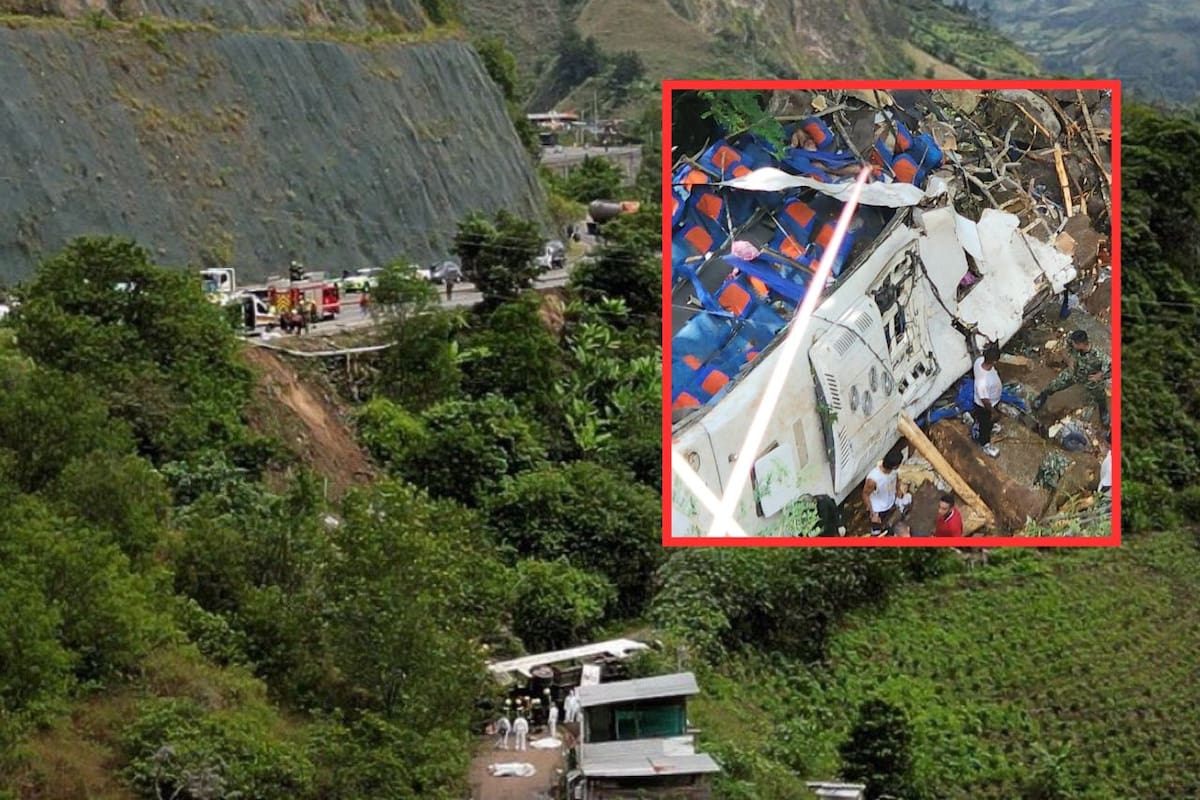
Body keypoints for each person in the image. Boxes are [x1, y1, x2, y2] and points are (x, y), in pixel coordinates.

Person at [1034, 329, 1111, 426]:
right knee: (1055, 384)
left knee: (1100, 396)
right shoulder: (1073, 343)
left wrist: (1101, 376)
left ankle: (1103, 410)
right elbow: (1065, 342)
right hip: (1074, 372)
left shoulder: (1098, 355)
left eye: (1074, 343)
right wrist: (1068, 359)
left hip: (1090, 379)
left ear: (1081, 344)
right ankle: (1042, 396)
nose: (1072, 344)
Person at [973, 343, 1003, 458]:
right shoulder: (983, 383)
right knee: (985, 424)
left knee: (986, 422)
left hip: (993, 400)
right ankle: (985, 443)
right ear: (994, 362)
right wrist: (993, 412)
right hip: (985, 406)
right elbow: (985, 400)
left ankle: (989, 425)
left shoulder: (979, 361)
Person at [863, 450, 903, 536]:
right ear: (895, 466)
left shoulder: (894, 471)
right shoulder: (873, 479)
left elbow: (897, 479)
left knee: (889, 524)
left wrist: (898, 489)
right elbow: (865, 494)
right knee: (876, 533)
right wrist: (873, 514)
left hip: (890, 503)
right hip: (878, 509)